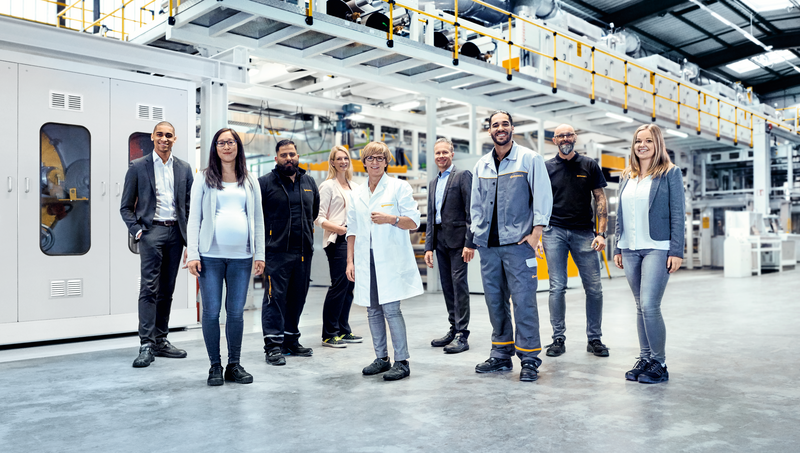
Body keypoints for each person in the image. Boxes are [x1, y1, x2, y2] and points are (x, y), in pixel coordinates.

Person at [470, 110, 552, 382]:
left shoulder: (529, 159)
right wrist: (477, 236)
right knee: (495, 301)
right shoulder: (482, 165)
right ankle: (501, 354)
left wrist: (536, 232)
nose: (500, 128)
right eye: (495, 125)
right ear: (490, 131)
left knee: (524, 301)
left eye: (505, 123)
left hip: (519, 245)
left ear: (512, 128)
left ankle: (529, 358)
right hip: (489, 247)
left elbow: (543, 196)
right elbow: (476, 205)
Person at [186, 128, 265, 386]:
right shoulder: (204, 177)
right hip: (210, 256)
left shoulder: (250, 180)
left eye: (230, 142)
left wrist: (259, 254)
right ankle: (214, 366)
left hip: (242, 258)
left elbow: (258, 220)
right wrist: (193, 254)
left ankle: (234, 364)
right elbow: (194, 218)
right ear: (215, 147)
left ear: (238, 146)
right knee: (210, 313)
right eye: (221, 143)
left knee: (235, 314)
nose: (226, 147)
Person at [613, 124, 685, 384]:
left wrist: (676, 250)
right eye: (637, 141)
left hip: (657, 246)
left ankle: (659, 362)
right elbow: (619, 214)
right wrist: (618, 245)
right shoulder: (627, 176)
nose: (642, 145)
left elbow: (678, 214)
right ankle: (645, 358)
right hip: (630, 247)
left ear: (658, 145)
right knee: (639, 307)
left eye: (648, 141)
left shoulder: (669, 174)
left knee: (649, 305)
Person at [346, 141, 423, 381]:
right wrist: (350, 261)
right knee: (372, 310)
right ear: (364, 162)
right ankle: (381, 358)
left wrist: (392, 219)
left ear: (386, 161)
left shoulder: (399, 187)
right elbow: (352, 230)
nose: (375, 162)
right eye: (371, 158)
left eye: (380, 158)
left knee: (391, 309)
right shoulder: (357, 192)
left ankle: (402, 361)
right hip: (364, 257)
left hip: (390, 258)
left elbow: (414, 222)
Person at [120, 121, 194, 368]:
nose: (164, 139)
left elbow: (189, 205)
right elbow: (126, 207)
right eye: (160, 134)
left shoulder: (184, 168)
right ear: (152, 137)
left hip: (176, 234)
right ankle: (146, 344)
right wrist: (139, 231)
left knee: (167, 289)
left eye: (169, 135)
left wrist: (189, 240)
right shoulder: (138, 167)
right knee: (149, 288)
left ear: (175, 139)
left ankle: (161, 340)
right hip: (152, 233)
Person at [539, 124, 610, 358]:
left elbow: (600, 198)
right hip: (554, 232)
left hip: (584, 234)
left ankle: (595, 338)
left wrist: (601, 233)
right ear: (554, 140)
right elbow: (538, 202)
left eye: (569, 134)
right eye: (560, 135)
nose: (565, 138)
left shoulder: (589, 164)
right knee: (557, 287)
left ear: (575, 138)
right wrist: (537, 234)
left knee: (595, 288)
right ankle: (558, 338)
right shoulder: (546, 167)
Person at [258, 139, 320, 366]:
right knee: (275, 299)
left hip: (303, 252)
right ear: (276, 159)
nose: (288, 158)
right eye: (284, 155)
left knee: (297, 298)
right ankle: (273, 345)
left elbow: (313, 213)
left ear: (298, 156)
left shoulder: (309, 182)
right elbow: (257, 218)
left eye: (292, 154)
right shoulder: (265, 183)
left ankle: (291, 340)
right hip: (276, 253)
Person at [424, 138, 475, 354]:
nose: (441, 156)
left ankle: (463, 334)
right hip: (440, 240)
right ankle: (454, 328)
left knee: (458, 284)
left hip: (459, 239)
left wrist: (470, 242)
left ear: (452, 154)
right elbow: (430, 216)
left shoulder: (463, 176)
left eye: (445, 152)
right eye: (438, 153)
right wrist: (428, 246)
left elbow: (472, 209)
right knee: (447, 284)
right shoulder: (433, 183)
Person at [315, 146, 362, 348]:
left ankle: (343, 330)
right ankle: (329, 334)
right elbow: (318, 218)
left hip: (354, 239)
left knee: (349, 286)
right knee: (339, 284)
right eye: (339, 158)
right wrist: (340, 229)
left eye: (346, 158)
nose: (343, 161)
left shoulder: (355, 186)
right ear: (332, 162)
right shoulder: (327, 186)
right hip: (337, 239)